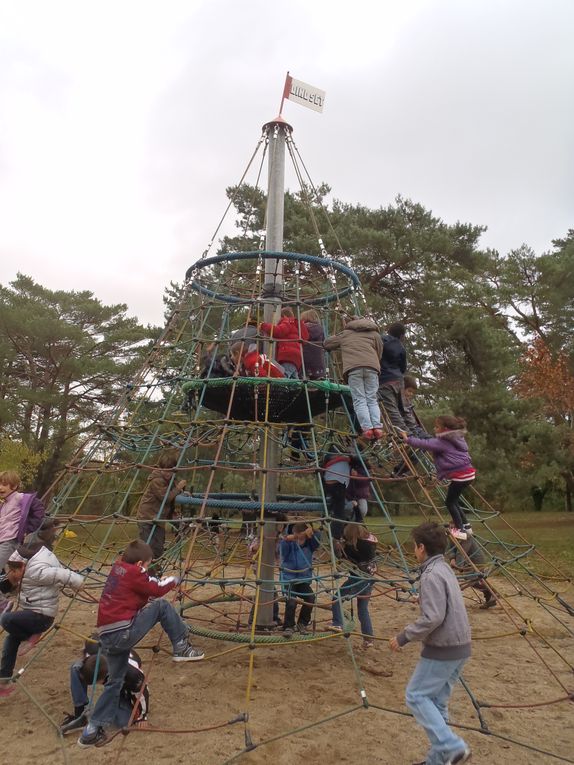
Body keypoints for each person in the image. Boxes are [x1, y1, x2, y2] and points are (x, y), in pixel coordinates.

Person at [78, 539, 204, 747]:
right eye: (147, 565)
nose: (146, 569)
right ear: (139, 564)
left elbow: (140, 588)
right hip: (122, 633)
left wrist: (153, 579)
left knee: (114, 681)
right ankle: (181, 645)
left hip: (107, 636)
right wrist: (174, 579)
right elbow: (156, 589)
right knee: (162, 606)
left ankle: (92, 730)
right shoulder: (136, 573)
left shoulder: (118, 568)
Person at [390, 522, 472, 765]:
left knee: (415, 695)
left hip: (444, 647)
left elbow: (433, 617)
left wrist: (403, 637)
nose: (414, 551)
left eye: (414, 547)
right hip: (460, 645)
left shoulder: (430, 574)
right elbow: (443, 602)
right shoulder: (444, 568)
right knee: (436, 702)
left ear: (421, 548)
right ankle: (439, 760)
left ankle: (452, 746)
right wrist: (423, 597)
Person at [0, 543, 84, 697]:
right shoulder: (25, 571)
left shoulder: (37, 571)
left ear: (22, 567)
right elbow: (11, 583)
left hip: (42, 617)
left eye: (13, 571)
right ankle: (3, 679)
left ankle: (31, 635)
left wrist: (78, 582)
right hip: (32, 613)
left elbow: (63, 574)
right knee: (10, 641)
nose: (11, 573)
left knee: (6, 620)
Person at [405, 415, 476, 540]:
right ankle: (466, 526)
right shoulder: (457, 438)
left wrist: (408, 439)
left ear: (445, 429)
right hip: (468, 474)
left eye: (437, 427)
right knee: (454, 501)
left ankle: (461, 530)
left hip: (460, 475)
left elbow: (425, 443)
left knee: (449, 502)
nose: (434, 428)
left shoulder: (443, 441)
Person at [61, 638, 150, 735]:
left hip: (123, 681)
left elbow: (142, 690)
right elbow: (94, 637)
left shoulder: (131, 676)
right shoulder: (93, 648)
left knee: (122, 722)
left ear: (104, 678)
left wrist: (143, 716)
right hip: (109, 663)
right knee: (76, 667)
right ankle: (80, 712)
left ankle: (99, 718)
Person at [324, 316, 384, 440]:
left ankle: (367, 428)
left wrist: (339, 335)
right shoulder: (374, 333)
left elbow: (327, 344)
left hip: (354, 369)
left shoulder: (346, 333)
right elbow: (379, 351)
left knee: (359, 399)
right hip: (372, 367)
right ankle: (377, 427)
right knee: (372, 398)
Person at [329, 524, 377, 648]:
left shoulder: (354, 547)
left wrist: (337, 546)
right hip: (369, 581)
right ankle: (368, 638)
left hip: (358, 580)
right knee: (362, 610)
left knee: (336, 598)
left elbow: (341, 556)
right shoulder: (369, 543)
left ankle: (337, 623)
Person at [136, 451, 186, 563]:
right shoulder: (157, 480)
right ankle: (144, 573)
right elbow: (166, 498)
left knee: (158, 547)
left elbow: (175, 492)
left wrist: (183, 491)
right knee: (147, 547)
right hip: (147, 518)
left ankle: (156, 571)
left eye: (170, 470)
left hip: (158, 519)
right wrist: (178, 488)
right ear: (160, 468)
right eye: (165, 470)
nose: (167, 473)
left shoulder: (171, 480)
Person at [279, 522, 320, 637]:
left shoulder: (310, 544)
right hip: (288, 578)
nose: (300, 541)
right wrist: (295, 537)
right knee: (291, 601)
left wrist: (312, 530)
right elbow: (283, 543)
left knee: (310, 597)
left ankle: (302, 623)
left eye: (302, 538)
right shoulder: (288, 544)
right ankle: (288, 626)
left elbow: (319, 535)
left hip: (303, 579)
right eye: (297, 536)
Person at [0, 470, 45, 572]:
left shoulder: (20, 497)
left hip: (10, 541)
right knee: (6, 572)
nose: (0, 487)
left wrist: (29, 529)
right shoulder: (3, 504)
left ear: (14, 486)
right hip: (2, 540)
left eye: (4, 484)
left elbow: (39, 509)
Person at [447, 536, 497, 609]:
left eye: (453, 525)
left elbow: (461, 552)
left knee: (472, 579)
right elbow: (451, 548)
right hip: (468, 561)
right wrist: (452, 558)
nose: (451, 527)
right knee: (477, 579)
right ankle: (490, 599)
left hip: (476, 560)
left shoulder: (465, 536)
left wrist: (458, 566)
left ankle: (493, 592)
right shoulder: (452, 534)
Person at [260, 307, 309, 379]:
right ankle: (296, 388)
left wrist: (263, 325)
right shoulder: (296, 325)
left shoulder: (287, 321)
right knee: (293, 378)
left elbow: (278, 331)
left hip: (287, 355)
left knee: (284, 376)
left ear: (284, 316)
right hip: (296, 357)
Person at [378, 322, 408, 435]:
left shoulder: (380, 340)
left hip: (385, 379)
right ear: (401, 335)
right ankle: (412, 434)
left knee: (392, 411)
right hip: (398, 380)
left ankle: (404, 436)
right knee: (403, 410)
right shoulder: (401, 347)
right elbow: (403, 367)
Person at [322, 446, 353, 540]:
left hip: (328, 485)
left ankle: (327, 516)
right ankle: (335, 538)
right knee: (339, 512)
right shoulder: (346, 458)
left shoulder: (327, 458)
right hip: (339, 485)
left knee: (333, 505)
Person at [300, 309, 326, 379]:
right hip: (318, 362)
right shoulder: (320, 329)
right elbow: (323, 343)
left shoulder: (302, 328)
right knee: (317, 383)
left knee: (304, 383)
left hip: (305, 360)